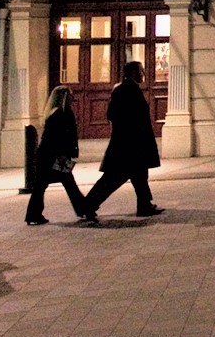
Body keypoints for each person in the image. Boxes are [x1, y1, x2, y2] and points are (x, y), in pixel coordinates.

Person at [81, 61, 162, 222]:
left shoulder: (124, 89)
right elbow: (123, 116)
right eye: (141, 71)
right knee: (114, 178)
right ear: (133, 73)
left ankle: (145, 205)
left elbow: (113, 114)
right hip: (130, 144)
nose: (143, 74)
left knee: (139, 175)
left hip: (130, 143)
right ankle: (88, 205)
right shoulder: (128, 90)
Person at [26, 86, 88, 224]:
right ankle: (84, 209)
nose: (73, 98)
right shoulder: (63, 113)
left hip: (46, 154)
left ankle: (33, 214)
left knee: (42, 186)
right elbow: (60, 137)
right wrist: (63, 154)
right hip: (55, 156)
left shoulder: (53, 113)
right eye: (70, 95)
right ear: (64, 97)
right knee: (67, 183)